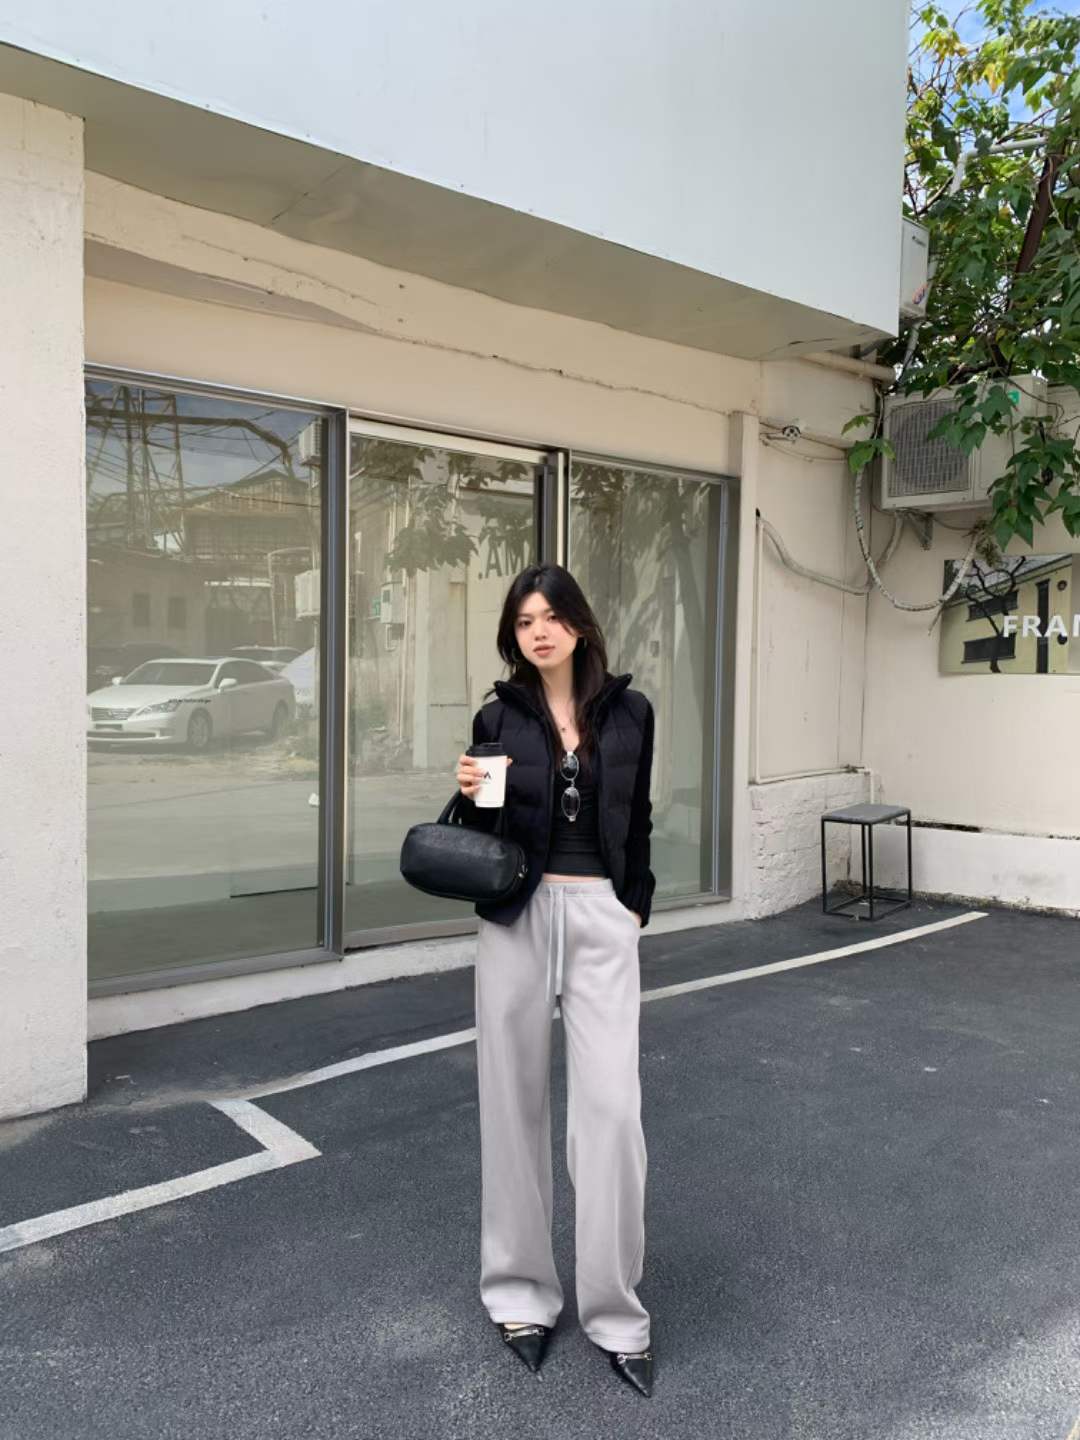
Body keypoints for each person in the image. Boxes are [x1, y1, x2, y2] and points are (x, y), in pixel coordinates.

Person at [454, 563, 657, 1398]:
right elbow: (483, 827)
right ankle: (521, 1296)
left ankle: (616, 1312)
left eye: (551, 616)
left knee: (611, 1111)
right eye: (524, 620)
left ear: (579, 623)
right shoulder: (499, 715)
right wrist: (469, 792)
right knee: (513, 1105)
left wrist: (632, 906)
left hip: (602, 916)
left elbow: (638, 818)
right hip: (518, 916)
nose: (538, 631)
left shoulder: (632, 712)